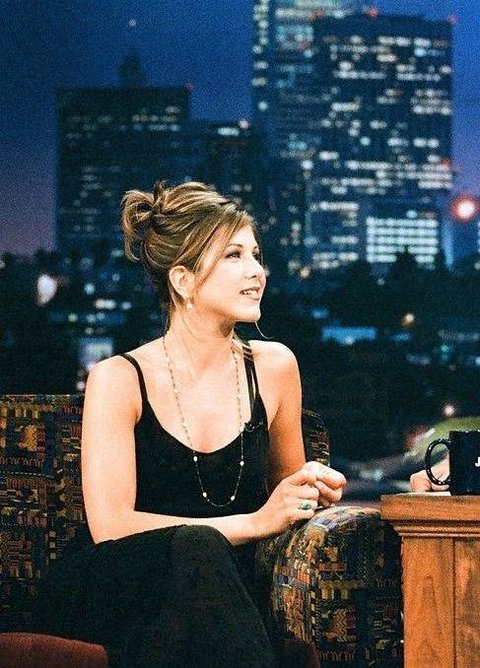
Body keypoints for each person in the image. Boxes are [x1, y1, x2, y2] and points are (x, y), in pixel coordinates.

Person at [37, 180, 346, 668]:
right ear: (182, 280)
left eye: (256, 255)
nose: (257, 271)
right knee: (198, 549)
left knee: (189, 616)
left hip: (218, 591)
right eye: (234, 256)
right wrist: (253, 523)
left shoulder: (275, 367)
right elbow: (112, 526)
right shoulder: (119, 378)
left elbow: (286, 492)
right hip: (119, 585)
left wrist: (311, 488)